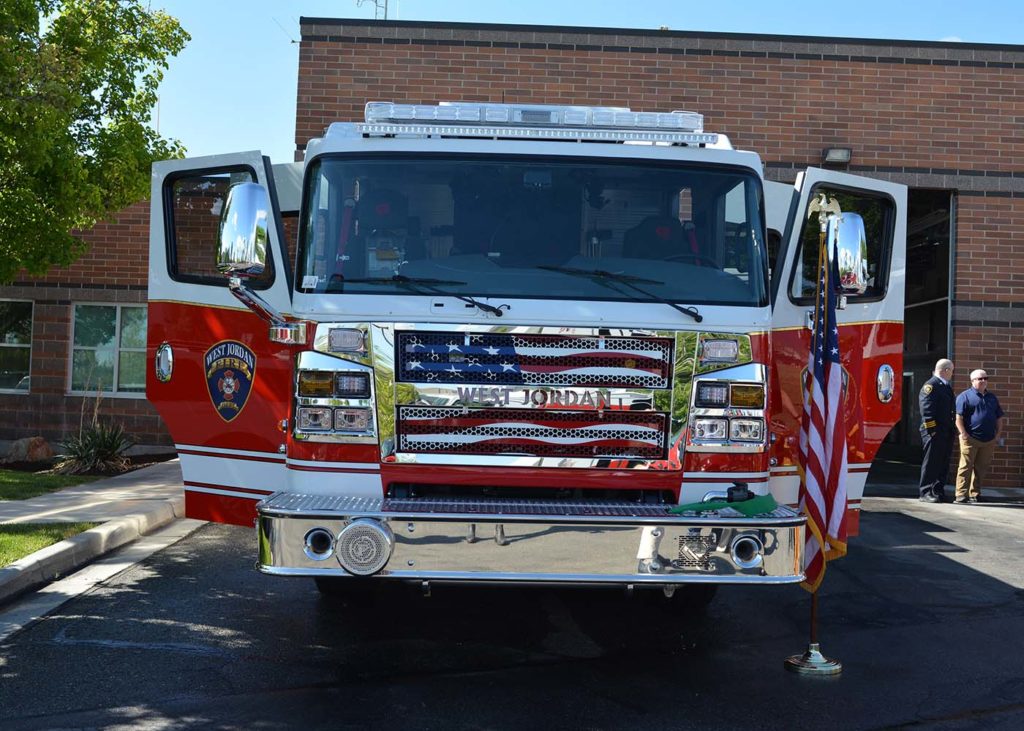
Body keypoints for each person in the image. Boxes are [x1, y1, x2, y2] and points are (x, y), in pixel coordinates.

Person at [954, 369, 1005, 503]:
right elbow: (958, 418)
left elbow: (999, 417)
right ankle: (960, 494)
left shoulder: (992, 398)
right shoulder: (964, 397)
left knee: (981, 468)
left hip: (988, 440)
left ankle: (975, 494)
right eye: (980, 379)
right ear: (972, 381)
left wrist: (997, 435)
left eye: (985, 378)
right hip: (970, 438)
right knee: (965, 467)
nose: (983, 381)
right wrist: (963, 434)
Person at [918, 359, 956, 503]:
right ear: (945, 370)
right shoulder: (931, 385)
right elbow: (927, 411)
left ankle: (938, 490)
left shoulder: (944, 386)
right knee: (932, 462)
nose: (952, 373)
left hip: (946, 431)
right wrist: (932, 431)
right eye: (951, 370)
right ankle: (925, 491)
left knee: (943, 462)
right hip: (935, 432)